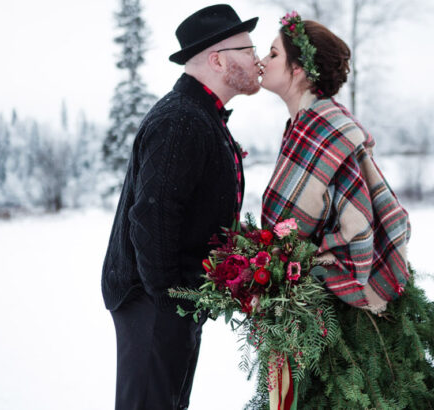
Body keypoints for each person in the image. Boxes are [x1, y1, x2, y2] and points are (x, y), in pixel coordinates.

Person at [100, 4, 260, 409]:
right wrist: (171, 300)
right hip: (152, 300)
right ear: (218, 60)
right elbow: (151, 215)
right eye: (248, 50)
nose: (257, 60)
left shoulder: (200, 116)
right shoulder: (181, 119)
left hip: (170, 300)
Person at [258, 11, 412, 407]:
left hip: (332, 311)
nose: (262, 60)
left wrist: (314, 258)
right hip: (311, 303)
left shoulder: (324, 128)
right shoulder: (305, 124)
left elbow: (358, 220)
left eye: (272, 54)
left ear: (298, 70)